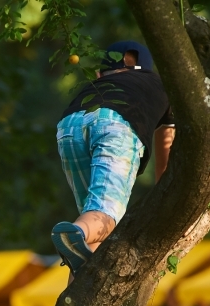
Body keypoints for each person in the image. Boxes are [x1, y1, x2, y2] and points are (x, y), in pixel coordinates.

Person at [51, 40, 175, 274]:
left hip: (69, 125)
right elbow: (166, 156)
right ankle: (74, 233)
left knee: (96, 232)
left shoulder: (100, 83)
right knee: (105, 214)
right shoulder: (160, 85)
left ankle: (77, 302)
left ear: (100, 73)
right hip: (114, 125)